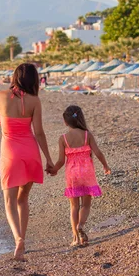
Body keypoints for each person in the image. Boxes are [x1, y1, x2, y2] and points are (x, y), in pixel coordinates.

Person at [0, 63, 54, 261]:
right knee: (23, 198)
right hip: (31, 152)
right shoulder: (35, 100)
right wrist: (49, 160)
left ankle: (18, 239)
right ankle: (22, 239)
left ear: (15, 77)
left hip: (10, 153)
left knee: (9, 200)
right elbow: (39, 132)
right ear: (34, 80)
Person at [49, 105, 110, 247]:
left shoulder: (63, 138)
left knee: (74, 206)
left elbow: (60, 161)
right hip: (87, 173)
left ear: (65, 122)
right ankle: (81, 225)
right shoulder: (87, 135)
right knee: (86, 205)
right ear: (80, 118)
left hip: (72, 174)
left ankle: (76, 238)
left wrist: (54, 170)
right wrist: (105, 166)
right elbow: (98, 153)